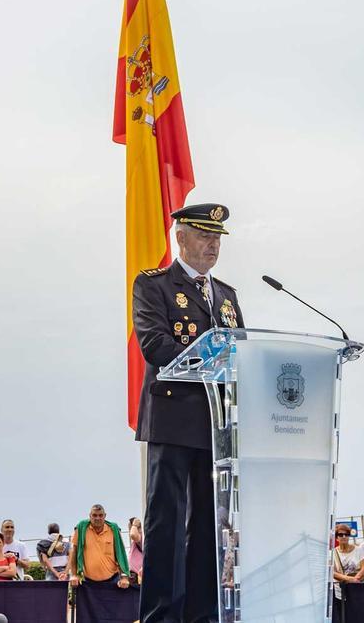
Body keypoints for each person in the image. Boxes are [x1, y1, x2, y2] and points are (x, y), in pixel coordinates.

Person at [133, 203, 244, 623]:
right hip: (172, 418)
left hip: (216, 426)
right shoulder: (154, 285)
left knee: (210, 530)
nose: (213, 244)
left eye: (217, 238)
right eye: (204, 235)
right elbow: (155, 345)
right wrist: (213, 364)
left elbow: (241, 354)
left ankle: (203, 616)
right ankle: (161, 617)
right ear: (180, 236)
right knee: (165, 524)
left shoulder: (227, 296)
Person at [68, 504, 131, 589]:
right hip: (88, 583)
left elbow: (121, 554)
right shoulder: (81, 528)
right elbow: (74, 551)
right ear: (90, 516)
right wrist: (74, 575)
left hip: (112, 581)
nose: (97, 518)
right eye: (94, 515)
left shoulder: (113, 529)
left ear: (105, 516)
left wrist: (124, 577)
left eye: (100, 515)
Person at [331, 523, 364, 610]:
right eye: (340, 534)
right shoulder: (332, 553)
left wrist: (356, 579)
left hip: (357, 589)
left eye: (346, 534)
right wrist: (350, 579)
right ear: (336, 538)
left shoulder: (359, 550)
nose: (344, 536)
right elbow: (332, 572)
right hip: (340, 592)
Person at [127, 517, 144, 582]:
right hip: (134, 577)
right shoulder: (135, 542)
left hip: (138, 578)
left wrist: (135, 525)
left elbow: (133, 535)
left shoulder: (141, 537)